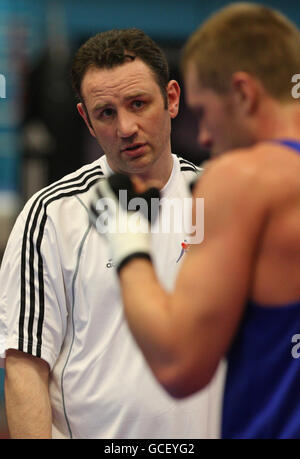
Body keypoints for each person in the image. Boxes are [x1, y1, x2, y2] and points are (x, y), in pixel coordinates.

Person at [0, 28, 224, 439]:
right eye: (106, 112)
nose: (126, 127)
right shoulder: (50, 216)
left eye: (139, 104)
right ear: (86, 119)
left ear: (172, 99)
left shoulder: (223, 204)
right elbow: (24, 364)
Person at [92, 5, 300, 439]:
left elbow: (179, 365)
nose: (203, 136)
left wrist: (127, 240)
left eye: (204, 111)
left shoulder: (243, 177)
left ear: (243, 93)